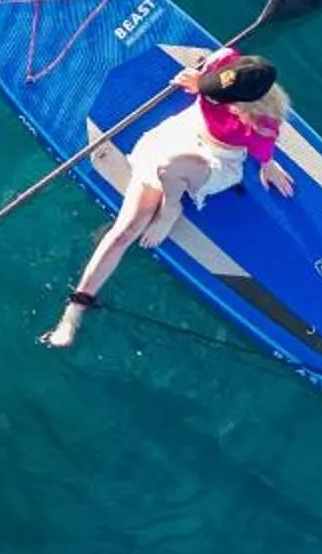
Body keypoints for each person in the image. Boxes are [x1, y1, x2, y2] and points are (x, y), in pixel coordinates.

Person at [40, 50, 295, 349]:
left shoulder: (261, 123)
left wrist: (268, 165)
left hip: (216, 162)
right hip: (184, 133)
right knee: (126, 230)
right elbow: (209, 80)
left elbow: (263, 150)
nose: (211, 92)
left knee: (170, 167)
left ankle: (171, 208)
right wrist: (199, 80)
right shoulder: (222, 62)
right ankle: (73, 313)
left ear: (244, 106)